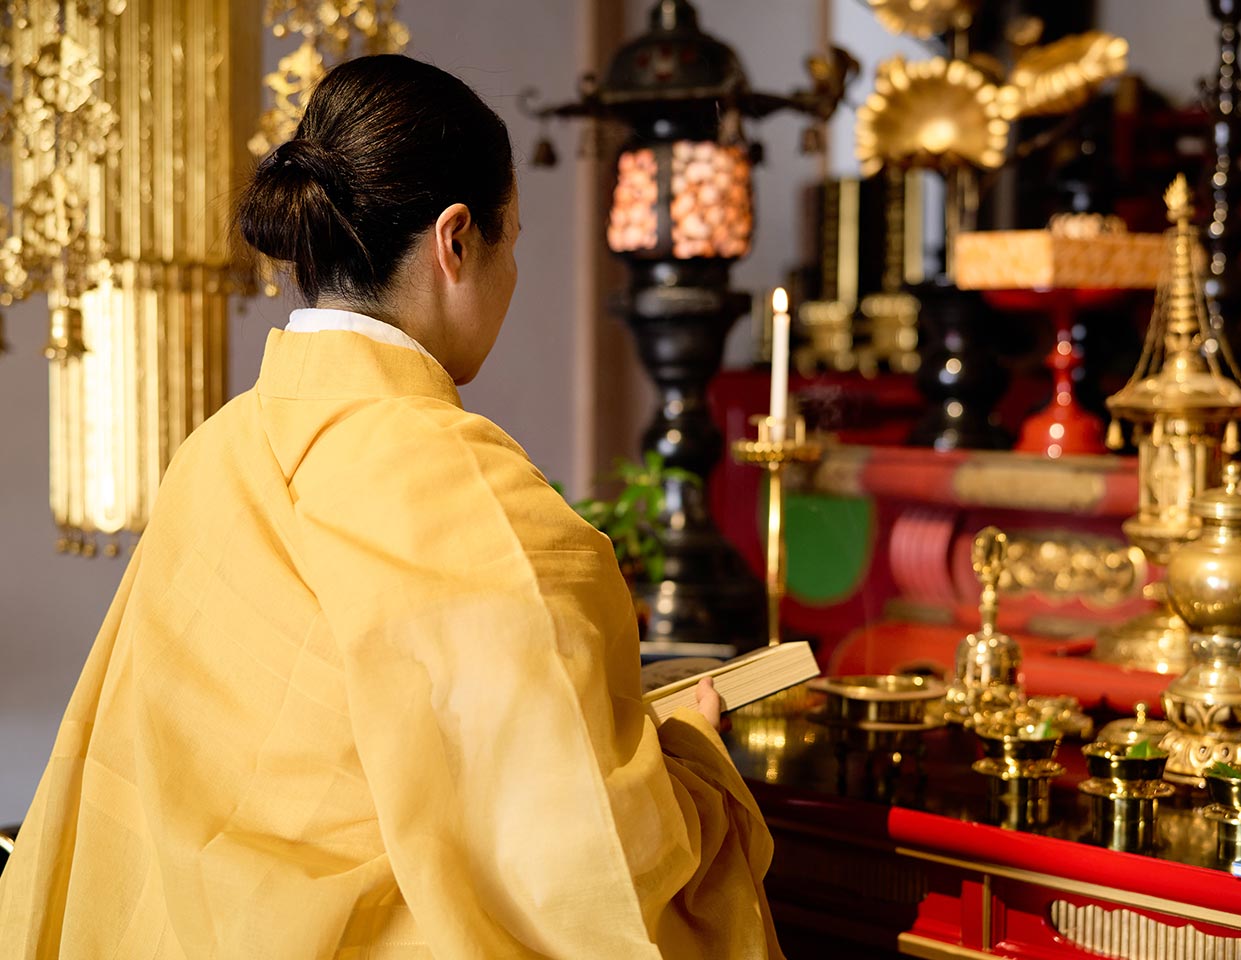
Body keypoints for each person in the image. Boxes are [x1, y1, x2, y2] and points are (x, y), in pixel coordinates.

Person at [0, 54, 782, 959]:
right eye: (513, 239)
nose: (514, 273)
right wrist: (690, 761)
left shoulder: (214, 451)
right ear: (456, 241)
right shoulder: (466, 488)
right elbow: (580, 862)